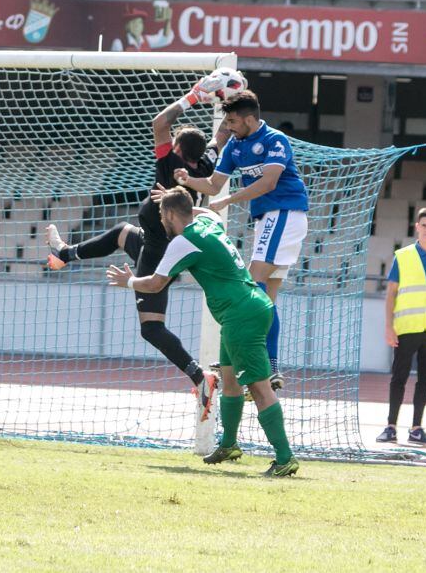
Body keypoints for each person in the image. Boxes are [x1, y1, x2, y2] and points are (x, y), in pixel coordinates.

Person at [45, 78, 224, 420]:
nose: (167, 142)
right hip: (153, 238)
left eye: (172, 143)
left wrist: (195, 96)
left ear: (177, 150)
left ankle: (201, 378)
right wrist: (225, 101)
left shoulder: (171, 166)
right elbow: (219, 140)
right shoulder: (205, 165)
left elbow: (160, 122)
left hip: (159, 251)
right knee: (120, 233)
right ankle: (64, 254)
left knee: (150, 328)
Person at [106, 186, 299, 477]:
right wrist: (181, 204)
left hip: (241, 314)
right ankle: (229, 445)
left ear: (171, 214)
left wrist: (129, 282)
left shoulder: (183, 242)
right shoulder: (207, 223)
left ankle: (285, 458)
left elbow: (156, 284)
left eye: (163, 216)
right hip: (246, 308)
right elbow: (208, 211)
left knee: (259, 388)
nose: (161, 222)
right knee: (231, 381)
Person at [174, 90, 309, 392]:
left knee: (250, 284)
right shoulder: (234, 146)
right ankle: (270, 367)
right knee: (266, 295)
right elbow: (213, 184)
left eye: (233, 121)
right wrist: (187, 179)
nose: (228, 127)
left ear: (250, 118)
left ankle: (243, 357)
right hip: (267, 220)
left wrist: (227, 202)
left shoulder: (275, 140)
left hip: (284, 212)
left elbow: (269, 182)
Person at [376, 208, 426, 446]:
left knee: (425, 380)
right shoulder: (402, 256)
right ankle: (391, 426)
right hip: (407, 326)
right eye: (424, 225)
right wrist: (389, 327)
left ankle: (416, 428)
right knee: (398, 377)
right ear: (416, 227)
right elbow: (391, 293)